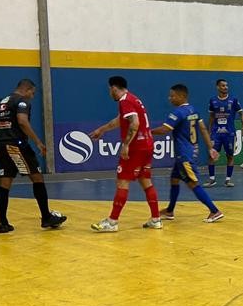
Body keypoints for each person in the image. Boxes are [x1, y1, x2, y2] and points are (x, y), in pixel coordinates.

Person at [0, 79, 66, 233]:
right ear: (27, 90)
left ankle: (3, 223)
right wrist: (38, 142)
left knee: (5, 182)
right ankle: (46, 217)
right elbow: (22, 121)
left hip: (2, 145)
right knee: (37, 177)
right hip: (17, 144)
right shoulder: (21, 102)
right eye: (32, 93)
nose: (32, 97)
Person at [88, 76, 161, 232]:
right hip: (147, 145)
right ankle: (156, 219)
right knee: (145, 181)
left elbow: (135, 123)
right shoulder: (133, 99)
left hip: (136, 148)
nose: (110, 93)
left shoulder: (125, 101)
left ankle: (112, 221)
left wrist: (126, 145)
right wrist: (101, 130)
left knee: (122, 181)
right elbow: (120, 120)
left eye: (110, 90)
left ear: (114, 88)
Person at [151, 84, 223, 223]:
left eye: (172, 96)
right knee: (174, 179)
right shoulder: (193, 110)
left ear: (181, 96)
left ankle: (214, 211)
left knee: (193, 184)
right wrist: (210, 148)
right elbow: (203, 129)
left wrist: (148, 132)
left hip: (184, 155)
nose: (170, 98)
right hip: (190, 152)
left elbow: (165, 129)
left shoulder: (178, 112)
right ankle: (170, 211)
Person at [206, 79, 243, 187]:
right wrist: (209, 131)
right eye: (223, 86)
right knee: (212, 155)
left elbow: (241, 113)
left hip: (229, 133)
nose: (225, 87)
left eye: (226, 85)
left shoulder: (233, 100)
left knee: (230, 156)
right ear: (218, 87)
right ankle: (212, 179)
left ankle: (228, 180)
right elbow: (211, 117)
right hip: (216, 133)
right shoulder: (213, 100)